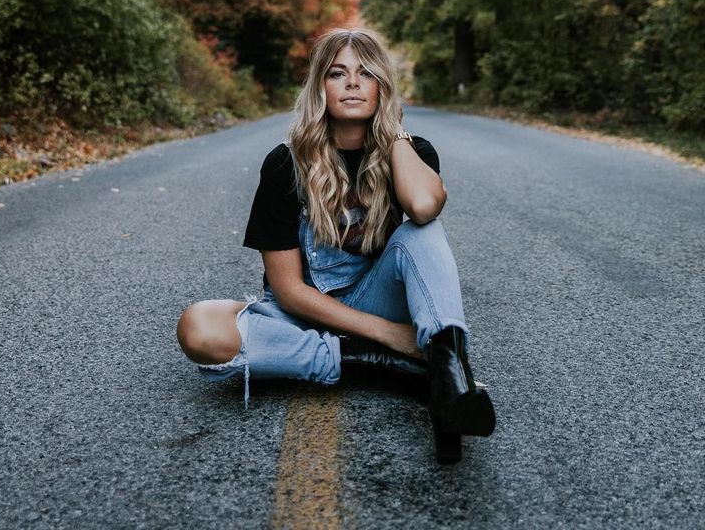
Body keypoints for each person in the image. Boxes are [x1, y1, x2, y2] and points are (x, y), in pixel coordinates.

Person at [176, 27, 495, 463]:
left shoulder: (412, 152)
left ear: (383, 86)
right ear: (319, 87)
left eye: (366, 73)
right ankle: (386, 361)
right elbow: (288, 290)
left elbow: (422, 207)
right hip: (306, 315)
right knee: (199, 327)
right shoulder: (285, 164)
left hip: (376, 297)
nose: (351, 83)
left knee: (424, 230)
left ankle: (449, 371)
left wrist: (397, 133)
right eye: (337, 72)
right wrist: (390, 336)